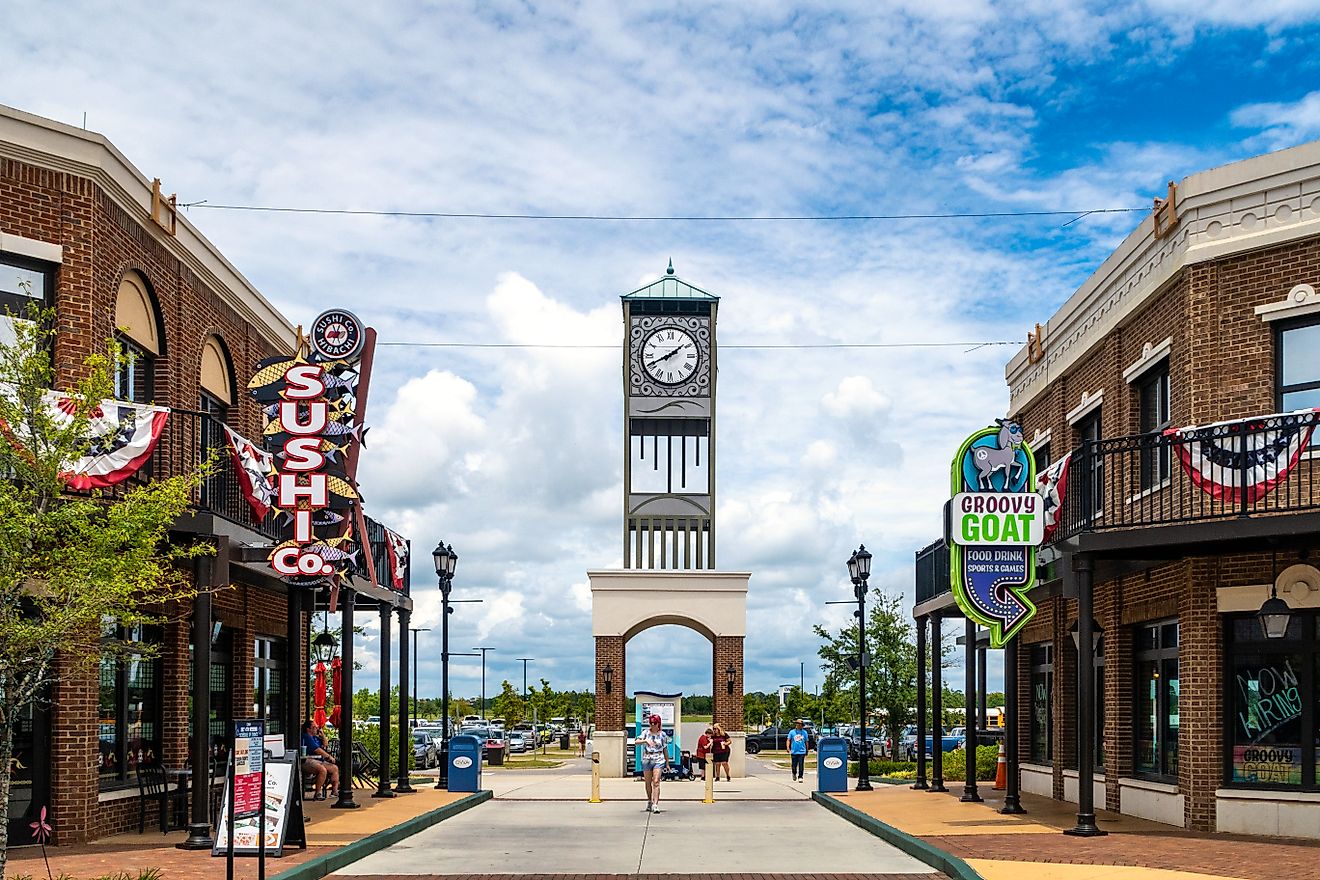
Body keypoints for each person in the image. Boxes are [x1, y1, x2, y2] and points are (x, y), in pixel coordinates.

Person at [638, 714, 670, 813]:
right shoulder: (645, 733)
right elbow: (636, 741)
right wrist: (645, 741)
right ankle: (649, 801)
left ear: (658, 723)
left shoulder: (662, 735)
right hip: (647, 758)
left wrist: (667, 762)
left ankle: (655, 804)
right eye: (651, 723)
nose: (653, 725)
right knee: (648, 782)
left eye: (655, 723)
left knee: (656, 781)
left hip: (658, 758)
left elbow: (665, 749)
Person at [301, 719, 339, 800]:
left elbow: (325, 745)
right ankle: (318, 793)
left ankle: (334, 791)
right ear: (309, 729)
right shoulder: (306, 737)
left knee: (334, 768)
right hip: (307, 760)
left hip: (318, 760)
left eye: (317, 727)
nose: (316, 729)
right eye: (314, 727)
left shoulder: (315, 737)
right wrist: (328, 757)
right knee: (322, 770)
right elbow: (317, 750)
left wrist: (323, 735)